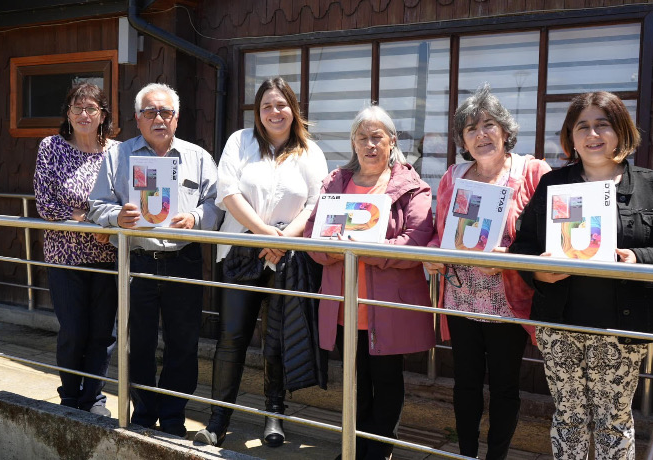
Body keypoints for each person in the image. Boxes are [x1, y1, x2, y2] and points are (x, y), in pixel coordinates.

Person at [509, 91, 653, 459]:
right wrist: (539, 273)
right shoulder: (553, 185)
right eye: (583, 127)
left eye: (602, 124)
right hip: (560, 325)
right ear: (571, 137)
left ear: (620, 131)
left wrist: (639, 257)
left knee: (613, 420)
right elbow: (522, 248)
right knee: (568, 417)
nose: (593, 134)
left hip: (622, 329)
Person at [194, 77, 328, 448]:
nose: (274, 112)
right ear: (258, 111)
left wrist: (283, 240)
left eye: (281, 105)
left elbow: (317, 202)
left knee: (279, 339)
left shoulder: (310, 151)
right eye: (266, 105)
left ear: (293, 109)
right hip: (241, 250)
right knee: (232, 337)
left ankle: (274, 414)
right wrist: (265, 233)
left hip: (288, 255)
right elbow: (228, 191)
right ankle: (217, 420)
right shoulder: (240, 141)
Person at [423, 84, 551, 459]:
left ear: (505, 130)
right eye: (471, 129)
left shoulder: (532, 171)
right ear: (462, 139)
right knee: (464, 383)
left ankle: (496, 455)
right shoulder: (454, 176)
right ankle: (465, 453)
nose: (481, 135)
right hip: (462, 296)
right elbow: (439, 233)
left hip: (507, 302)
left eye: (489, 124)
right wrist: (431, 255)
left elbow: (545, 236)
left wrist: (509, 255)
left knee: (505, 386)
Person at [87, 82, 222, 437]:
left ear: (176, 118)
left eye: (165, 112)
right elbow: (96, 205)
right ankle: (144, 416)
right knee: (138, 344)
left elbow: (215, 206)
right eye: (150, 112)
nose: (158, 118)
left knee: (183, 342)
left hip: (184, 259)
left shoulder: (198, 157)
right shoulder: (118, 157)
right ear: (137, 119)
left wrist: (195, 219)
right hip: (137, 260)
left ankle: (174, 416)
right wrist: (118, 217)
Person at [304, 105, 436, 460]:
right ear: (353, 142)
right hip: (345, 303)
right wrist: (331, 250)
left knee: (388, 380)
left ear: (392, 141)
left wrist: (362, 250)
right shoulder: (336, 182)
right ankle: (354, 448)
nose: (370, 144)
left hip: (387, 305)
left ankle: (379, 451)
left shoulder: (412, 187)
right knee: (355, 381)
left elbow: (416, 240)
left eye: (377, 136)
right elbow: (310, 235)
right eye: (362, 137)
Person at [33, 82, 119, 417]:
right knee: (73, 331)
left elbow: (127, 199)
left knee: (103, 333)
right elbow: (45, 203)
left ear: (102, 114)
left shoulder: (117, 152)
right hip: (64, 257)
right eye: (77, 108)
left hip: (108, 254)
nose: (84, 115)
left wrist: (108, 228)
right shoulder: (51, 147)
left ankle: (94, 397)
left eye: (91, 109)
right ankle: (70, 395)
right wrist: (83, 219)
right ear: (68, 114)